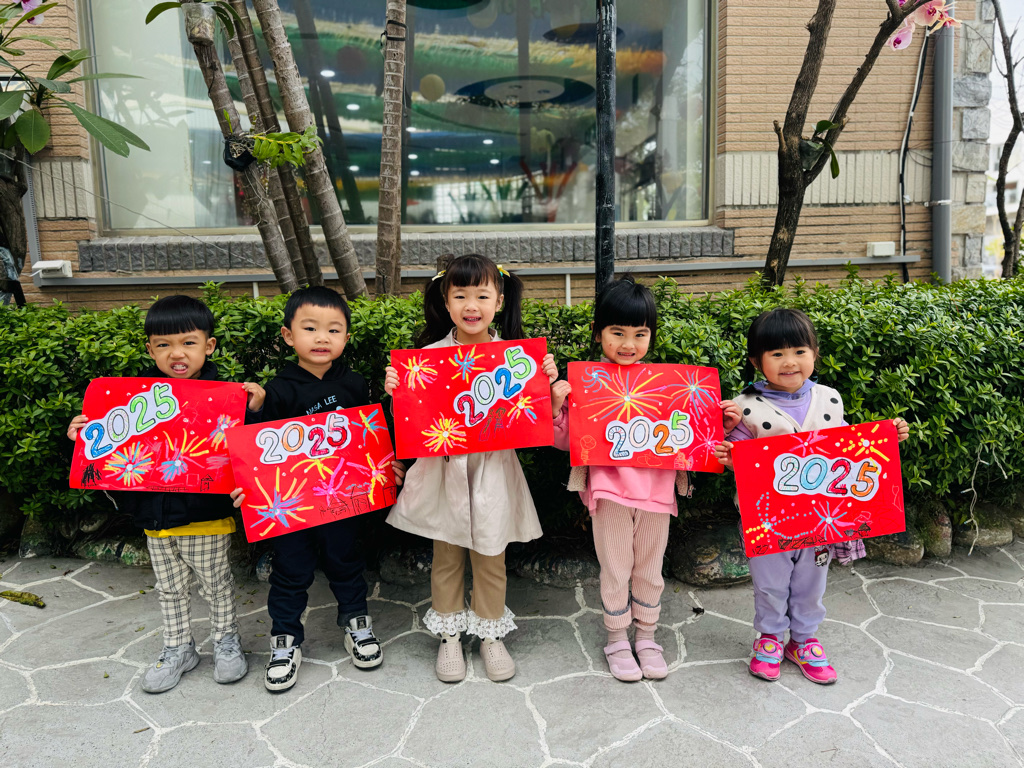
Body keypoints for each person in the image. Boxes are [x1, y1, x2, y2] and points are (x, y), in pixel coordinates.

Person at [67, 295, 264, 693]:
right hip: (154, 518)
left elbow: (253, 449)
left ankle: (226, 642)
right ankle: (178, 648)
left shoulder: (228, 396)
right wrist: (81, 438)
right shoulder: (128, 401)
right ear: (149, 349)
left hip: (206, 516)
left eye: (189, 342)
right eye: (164, 344)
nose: (177, 353)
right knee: (169, 589)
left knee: (216, 585)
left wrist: (256, 409)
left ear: (209, 345)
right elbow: (107, 456)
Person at [550, 276, 740, 681]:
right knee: (615, 568)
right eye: (617, 332)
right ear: (598, 332)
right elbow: (565, 440)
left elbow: (692, 439)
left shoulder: (668, 385)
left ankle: (648, 637)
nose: (628, 343)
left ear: (651, 335)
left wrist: (718, 426)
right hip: (609, 494)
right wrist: (555, 406)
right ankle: (617, 638)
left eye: (640, 334)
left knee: (650, 570)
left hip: (657, 494)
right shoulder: (587, 385)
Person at [383, 255, 557, 683]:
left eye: (482, 295)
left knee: (491, 555)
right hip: (444, 471)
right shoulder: (426, 358)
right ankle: (449, 636)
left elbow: (532, 420)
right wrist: (397, 390)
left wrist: (547, 387)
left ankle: (490, 635)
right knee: (446, 555)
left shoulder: (516, 359)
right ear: (446, 301)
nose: (471, 305)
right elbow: (414, 422)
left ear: (499, 301)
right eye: (460, 295)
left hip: (493, 469)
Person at [715, 308, 910, 685]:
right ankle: (770, 638)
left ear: (815, 353)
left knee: (811, 583)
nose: (790, 362)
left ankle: (803, 640)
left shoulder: (830, 399)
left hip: (820, 519)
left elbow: (847, 449)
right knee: (770, 583)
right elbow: (736, 455)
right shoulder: (746, 406)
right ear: (756, 362)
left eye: (799, 351)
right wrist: (728, 456)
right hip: (767, 519)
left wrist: (887, 439)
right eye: (776, 354)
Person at [233, 286, 404, 692]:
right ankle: (285, 640)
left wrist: (387, 464)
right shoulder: (277, 390)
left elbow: (372, 438)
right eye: (310, 328)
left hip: (343, 501)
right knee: (290, 572)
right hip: (291, 508)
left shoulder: (356, 385)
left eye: (333, 329)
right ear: (288, 335)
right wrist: (254, 410)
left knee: (347, 562)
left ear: (346, 337)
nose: (322, 337)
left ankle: (356, 623)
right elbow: (255, 447)